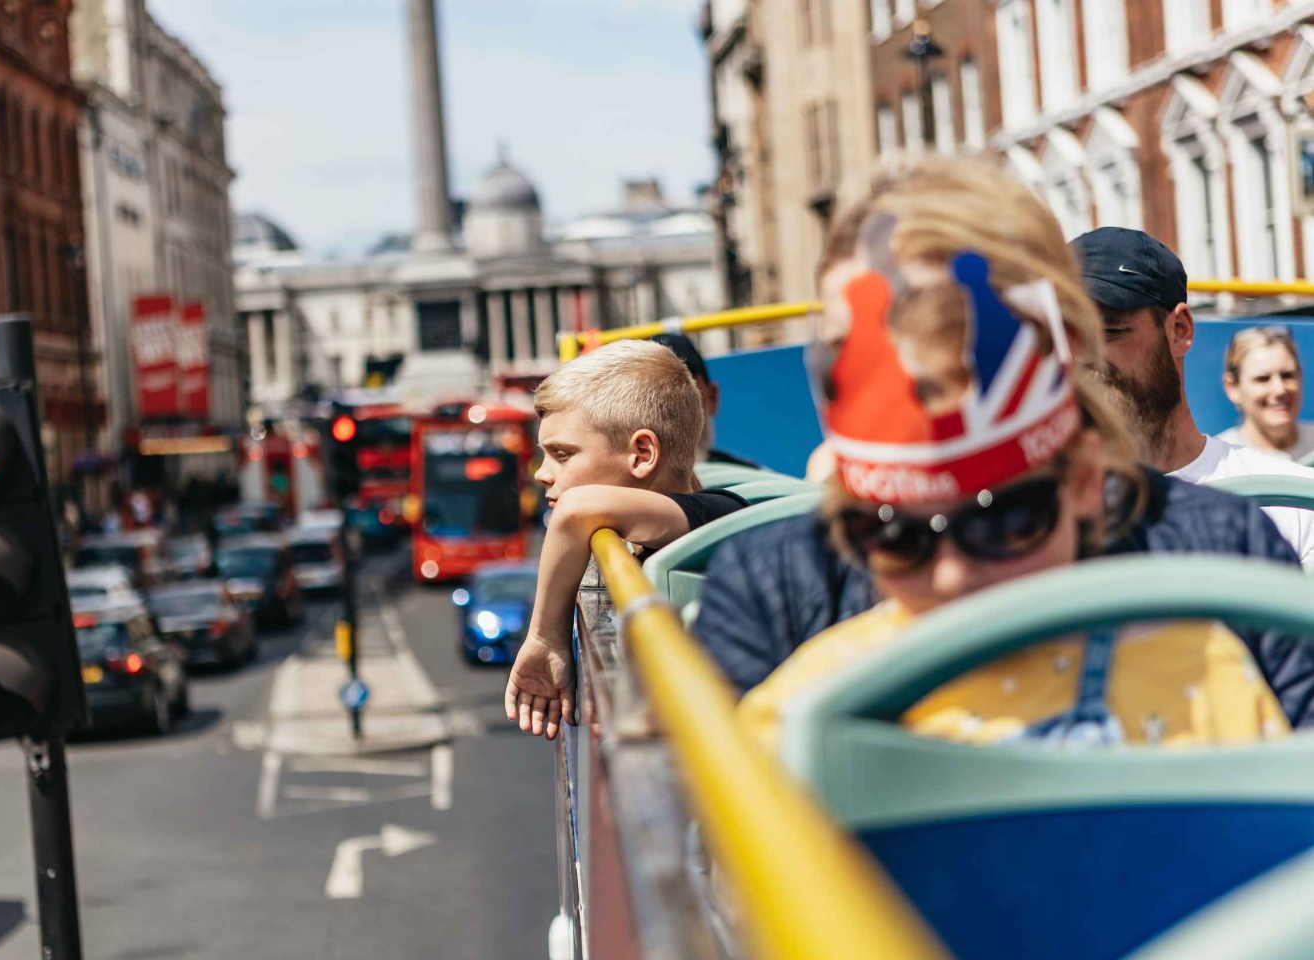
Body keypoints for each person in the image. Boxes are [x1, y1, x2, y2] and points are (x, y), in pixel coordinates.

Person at [692, 160, 1314, 727]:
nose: (952, 575)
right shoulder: (770, 594)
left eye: (1008, 519)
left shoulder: (1225, 553)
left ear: (1082, 479)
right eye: (891, 532)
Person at [504, 339, 750, 738]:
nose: (541, 473)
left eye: (562, 454)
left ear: (642, 454)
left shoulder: (720, 514)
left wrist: (545, 638)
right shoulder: (633, 535)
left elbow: (575, 510)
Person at [1071, 227, 1314, 567]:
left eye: (1110, 331)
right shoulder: (1035, 523)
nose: (1083, 356)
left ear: (1179, 330)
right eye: (1066, 334)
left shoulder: (1293, 499)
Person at [647, 332, 758, 466]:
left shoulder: (751, 475)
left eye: (685, 387)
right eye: (655, 394)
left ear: (712, 397)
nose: (671, 406)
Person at [1218, 326, 1314, 462]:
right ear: (1233, 387)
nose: (1279, 390)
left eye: (1287, 375)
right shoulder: (1220, 460)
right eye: (1263, 379)